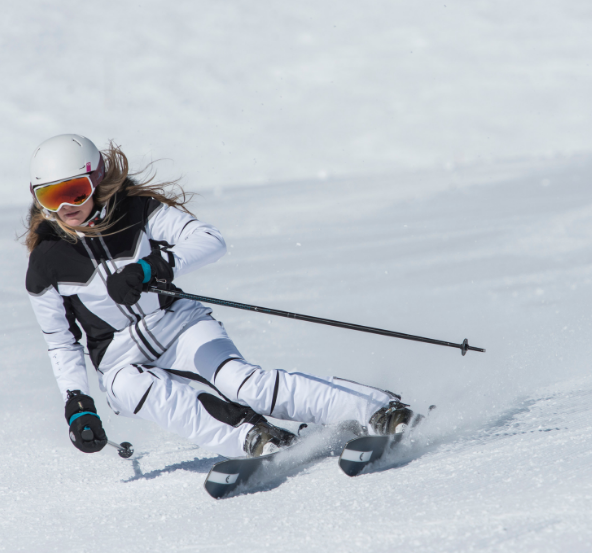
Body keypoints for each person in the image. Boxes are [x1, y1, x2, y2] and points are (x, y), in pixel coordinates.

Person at [25, 134, 414, 459]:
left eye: (75, 192)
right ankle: (251, 438)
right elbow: (61, 342)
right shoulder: (46, 262)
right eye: (50, 197)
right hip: (119, 358)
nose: (65, 207)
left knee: (244, 384)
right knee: (129, 388)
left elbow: (209, 240)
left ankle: (376, 409)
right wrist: (77, 404)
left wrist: (151, 268)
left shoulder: (137, 211)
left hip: (178, 325)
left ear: (97, 181)